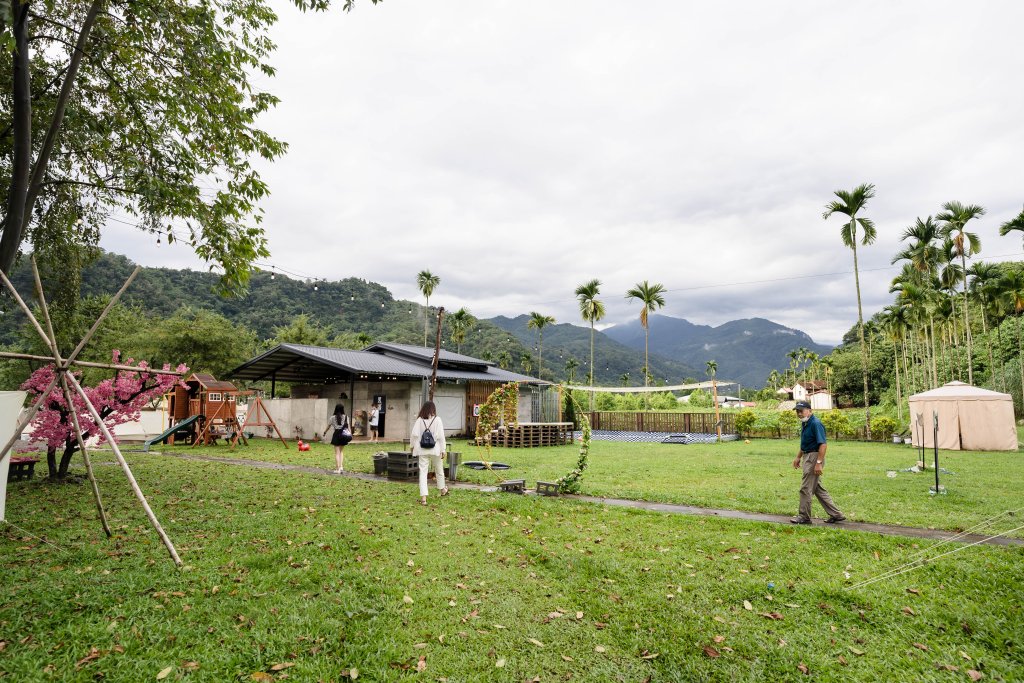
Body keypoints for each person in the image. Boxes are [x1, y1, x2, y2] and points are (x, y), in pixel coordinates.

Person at [790, 401, 845, 524]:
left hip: (814, 457)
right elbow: (805, 443)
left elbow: (823, 445)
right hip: (807, 455)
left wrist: (819, 462)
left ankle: (804, 516)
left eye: (801, 411)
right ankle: (836, 514)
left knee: (805, 488)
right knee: (817, 488)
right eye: (797, 411)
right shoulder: (805, 423)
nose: (799, 414)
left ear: (810, 410)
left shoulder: (815, 423)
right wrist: (798, 457)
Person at [410, 401, 448, 505]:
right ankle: (442, 490)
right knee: (439, 470)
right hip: (435, 449)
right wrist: (443, 450)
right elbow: (441, 436)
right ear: (433, 409)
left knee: (423, 472)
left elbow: (414, 435)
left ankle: (423, 498)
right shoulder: (438, 420)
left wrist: (412, 446)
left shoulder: (419, 420)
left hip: (422, 450)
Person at [323, 404, 351, 474]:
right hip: (343, 435)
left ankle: (337, 469)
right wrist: (350, 434)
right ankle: (341, 467)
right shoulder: (346, 417)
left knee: (337, 453)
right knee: (341, 452)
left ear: (335, 409)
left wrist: (324, 432)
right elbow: (348, 427)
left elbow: (328, 426)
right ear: (342, 409)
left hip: (336, 435)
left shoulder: (332, 418)